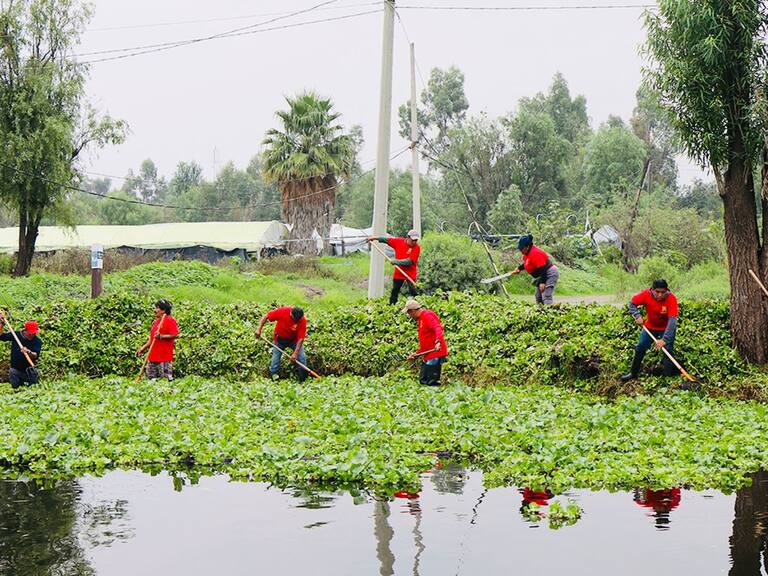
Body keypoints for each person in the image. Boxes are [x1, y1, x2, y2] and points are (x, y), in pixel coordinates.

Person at [621, 279, 679, 382]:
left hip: (665, 329)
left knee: (668, 351)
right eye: (657, 292)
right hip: (650, 327)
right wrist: (637, 315)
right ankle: (633, 373)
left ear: (667, 290)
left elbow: (672, 322)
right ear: (652, 290)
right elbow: (632, 304)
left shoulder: (671, 299)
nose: (660, 295)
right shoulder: (645, 294)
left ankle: (667, 378)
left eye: (663, 292)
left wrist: (664, 339)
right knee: (640, 347)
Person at [367, 229, 421, 305]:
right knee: (395, 290)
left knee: (413, 291)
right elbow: (386, 240)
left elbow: (409, 261)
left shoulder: (416, 248)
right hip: (399, 272)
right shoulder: (398, 242)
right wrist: (374, 238)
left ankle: (418, 306)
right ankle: (392, 306)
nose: (414, 242)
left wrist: (396, 261)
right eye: (413, 240)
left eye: (416, 240)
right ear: (408, 238)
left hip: (410, 273)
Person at [256, 306, 308, 382]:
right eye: (295, 319)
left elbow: (300, 339)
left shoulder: (302, 320)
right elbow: (266, 316)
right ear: (291, 314)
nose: (296, 321)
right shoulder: (283, 311)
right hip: (279, 340)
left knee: (302, 359)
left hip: (294, 341)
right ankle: (273, 382)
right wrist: (259, 329)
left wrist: (295, 353)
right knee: (275, 363)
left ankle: (303, 381)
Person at [404, 299, 448, 386]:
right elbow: (425, 344)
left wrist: (438, 342)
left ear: (412, 311)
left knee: (431, 381)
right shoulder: (420, 320)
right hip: (428, 354)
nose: (409, 316)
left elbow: (438, 328)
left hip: (435, 353)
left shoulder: (427, 315)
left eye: (409, 313)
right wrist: (415, 354)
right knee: (423, 380)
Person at [136, 299, 179, 381]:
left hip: (164, 358)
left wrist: (162, 336)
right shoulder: (156, 322)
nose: (155, 310)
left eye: (157, 308)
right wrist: (143, 348)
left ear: (163, 310)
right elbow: (152, 339)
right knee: (151, 380)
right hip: (152, 357)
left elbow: (175, 334)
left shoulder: (170, 320)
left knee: (165, 381)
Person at [510, 234, 560, 305]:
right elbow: (527, 264)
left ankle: (549, 313)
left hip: (550, 273)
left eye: (522, 248)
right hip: (544, 274)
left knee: (546, 295)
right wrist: (519, 269)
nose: (520, 251)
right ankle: (541, 313)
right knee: (538, 296)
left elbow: (542, 268)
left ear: (527, 247)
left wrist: (543, 282)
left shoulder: (535, 253)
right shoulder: (527, 254)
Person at [0, 313, 41, 388]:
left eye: (34, 333)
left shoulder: (37, 341)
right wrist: (2, 324)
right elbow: (1, 337)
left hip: (29, 371)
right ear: (25, 330)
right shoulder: (16, 335)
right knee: (16, 391)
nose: (32, 335)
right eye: (31, 333)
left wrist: (28, 352)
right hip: (15, 371)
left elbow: (35, 355)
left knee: (34, 390)